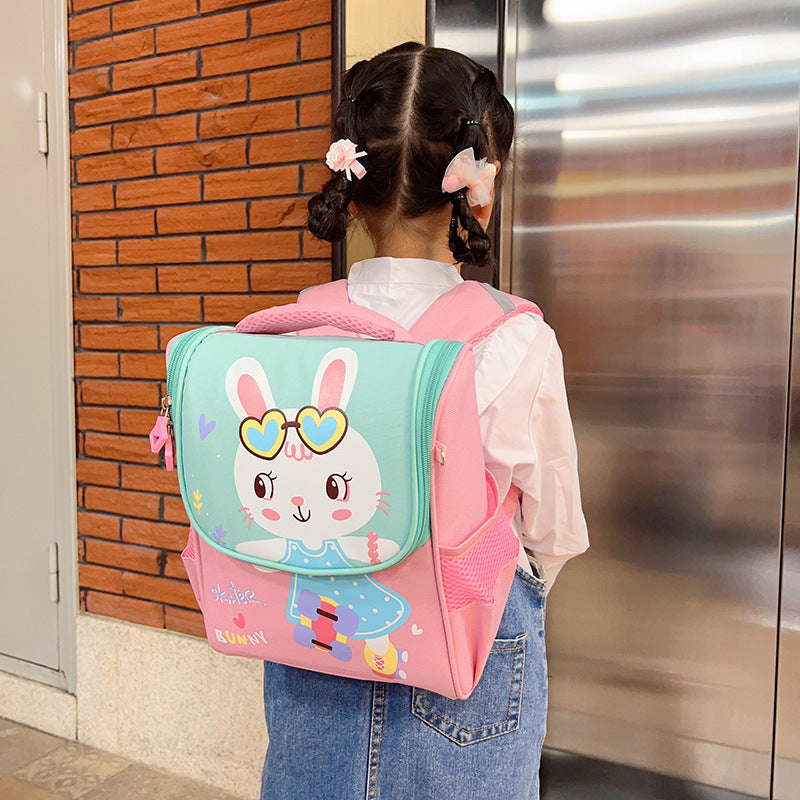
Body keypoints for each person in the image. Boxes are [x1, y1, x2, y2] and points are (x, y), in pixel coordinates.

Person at [259, 42, 588, 800]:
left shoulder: (293, 335)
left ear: (354, 186)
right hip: (468, 666)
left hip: (321, 647)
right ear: (480, 187)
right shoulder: (515, 339)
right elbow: (554, 531)